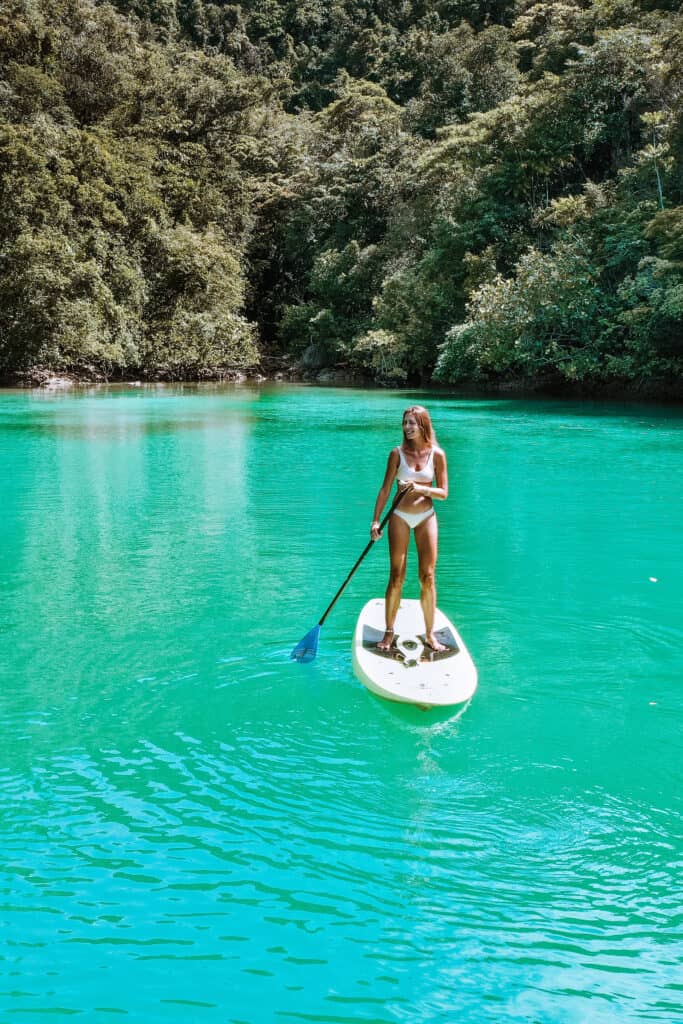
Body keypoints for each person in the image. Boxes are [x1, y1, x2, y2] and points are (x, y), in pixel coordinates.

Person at [370, 405, 449, 652]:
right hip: (399, 516)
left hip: (426, 516)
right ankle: (389, 632)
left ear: (423, 425)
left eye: (412, 423)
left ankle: (429, 634)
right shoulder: (396, 454)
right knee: (396, 576)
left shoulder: (437, 455)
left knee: (427, 576)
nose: (407, 427)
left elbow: (444, 493)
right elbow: (385, 490)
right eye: (405, 422)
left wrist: (421, 488)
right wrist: (375, 520)